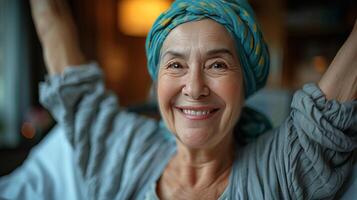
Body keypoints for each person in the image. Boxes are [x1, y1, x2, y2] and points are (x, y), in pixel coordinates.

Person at [0, 0, 356, 199]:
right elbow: (53, 21)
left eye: (217, 64)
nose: (194, 86)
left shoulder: (277, 170)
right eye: (176, 65)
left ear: (244, 86)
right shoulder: (125, 153)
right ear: (157, 84)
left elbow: (328, 114)